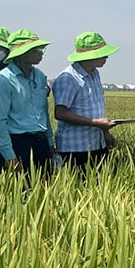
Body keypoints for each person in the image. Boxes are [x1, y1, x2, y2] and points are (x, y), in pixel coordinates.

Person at [52, 32, 120, 171]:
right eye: (102, 54)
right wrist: (96, 123)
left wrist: (105, 132)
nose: (106, 57)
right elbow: (61, 113)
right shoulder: (68, 78)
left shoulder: (95, 73)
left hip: (97, 143)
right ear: (89, 56)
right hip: (75, 148)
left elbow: (96, 109)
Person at [0, 30, 54, 177]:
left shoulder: (40, 76)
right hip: (18, 143)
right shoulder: (3, 80)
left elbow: (44, 112)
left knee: (45, 189)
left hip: (41, 141)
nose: (41, 53)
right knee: (22, 191)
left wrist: (49, 142)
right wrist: (10, 156)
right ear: (23, 54)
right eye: (36, 50)